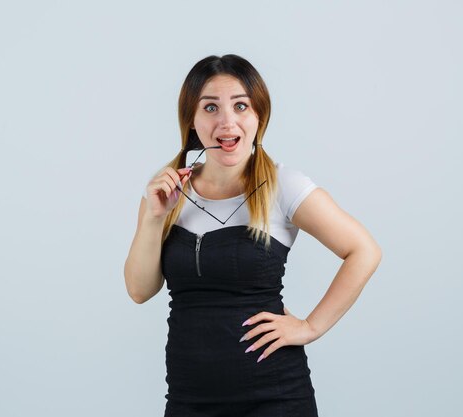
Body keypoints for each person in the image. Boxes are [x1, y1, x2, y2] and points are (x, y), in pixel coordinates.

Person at [123, 54, 382, 417]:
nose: (227, 121)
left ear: (258, 117)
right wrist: (154, 219)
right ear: (192, 121)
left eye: (240, 106)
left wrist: (310, 327)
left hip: (275, 397)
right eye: (210, 107)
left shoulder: (283, 186)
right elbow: (139, 290)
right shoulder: (166, 192)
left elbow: (364, 251)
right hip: (188, 398)